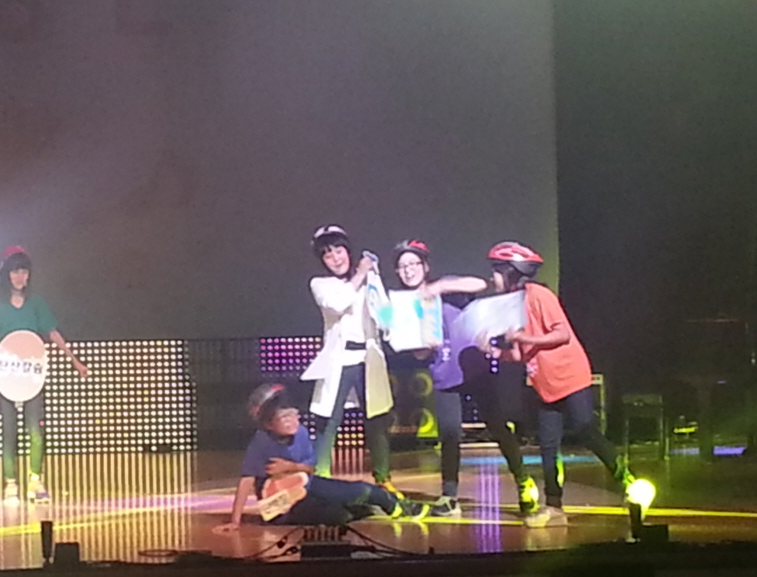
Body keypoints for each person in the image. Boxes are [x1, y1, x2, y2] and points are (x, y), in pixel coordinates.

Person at [484, 241, 638, 527]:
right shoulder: (507, 307)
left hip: (569, 374)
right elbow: (518, 354)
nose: (492, 278)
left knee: (584, 428)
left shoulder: (539, 295)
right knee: (548, 445)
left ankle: (627, 482)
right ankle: (554, 506)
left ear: (511, 272)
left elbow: (562, 334)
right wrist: (495, 352)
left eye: (496, 271)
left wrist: (524, 338)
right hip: (543, 383)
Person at [390, 239, 537, 516]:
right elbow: (419, 354)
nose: (408, 270)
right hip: (444, 373)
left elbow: (480, 284)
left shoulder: (447, 287)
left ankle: (523, 481)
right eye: (402, 266)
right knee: (449, 433)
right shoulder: (404, 305)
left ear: (425, 266)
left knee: (497, 426)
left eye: (413, 263)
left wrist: (439, 288)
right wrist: (423, 347)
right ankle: (449, 496)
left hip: (474, 367)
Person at [214, 384, 426, 533]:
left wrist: (291, 467)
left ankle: (399, 507)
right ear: (268, 424)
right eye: (283, 417)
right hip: (283, 506)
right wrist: (235, 521)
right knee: (338, 516)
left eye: (293, 414)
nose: (291, 421)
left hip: (308, 485)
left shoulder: (302, 432)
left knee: (365, 490)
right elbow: (247, 480)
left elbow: (310, 469)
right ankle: (359, 509)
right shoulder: (261, 442)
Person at [0, 246, 88, 503]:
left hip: (32, 373)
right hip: (6, 374)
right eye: (15, 272)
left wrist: (75, 361)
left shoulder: (36, 303)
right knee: (8, 429)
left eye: (24, 271)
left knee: (35, 428)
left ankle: (35, 479)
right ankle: (10, 483)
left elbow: (52, 332)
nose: (20, 277)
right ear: (6, 275)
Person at [302, 224, 398, 492]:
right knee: (328, 420)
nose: (335, 258)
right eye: (327, 254)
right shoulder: (321, 284)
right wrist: (360, 274)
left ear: (348, 250)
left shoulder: (369, 279)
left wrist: (375, 284)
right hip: (340, 359)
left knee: (378, 420)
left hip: (369, 358)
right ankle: (320, 481)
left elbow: (385, 313)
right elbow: (337, 304)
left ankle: (383, 479)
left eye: (339, 250)